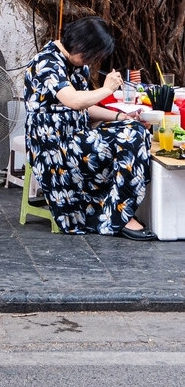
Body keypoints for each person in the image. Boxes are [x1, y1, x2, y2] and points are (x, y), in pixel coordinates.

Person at [23, 16, 155, 239]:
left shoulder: (76, 64)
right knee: (131, 135)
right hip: (54, 149)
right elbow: (74, 100)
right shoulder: (46, 62)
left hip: (76, 138)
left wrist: (120, 116)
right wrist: (107, 89)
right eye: (94, 55)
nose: (93, 61)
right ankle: (119, 218)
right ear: (81, 46)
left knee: (135, 128)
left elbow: (85, 108)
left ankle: (118, 211)